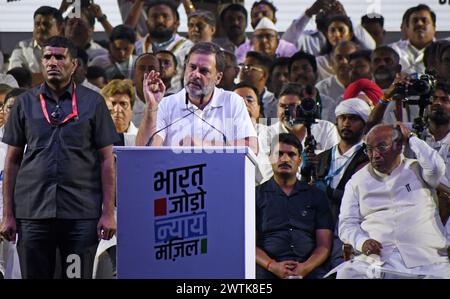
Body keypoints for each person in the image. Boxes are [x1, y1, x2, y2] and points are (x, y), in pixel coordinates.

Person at [0, 36, 119, 279]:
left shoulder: (93, 102)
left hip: (80, 215)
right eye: (47, 57)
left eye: (60, 57)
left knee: (74, 277)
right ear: (41, 62)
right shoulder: (24, 103)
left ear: (74, 64)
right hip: (32, 213)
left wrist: (108, 212)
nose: (53, 62)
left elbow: (107, 160)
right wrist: (8, 215)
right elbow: (12, 160)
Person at [337, 123, 450, 279]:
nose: (375, 155)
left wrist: (411, 138)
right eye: (369, 149)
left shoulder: (419, 170)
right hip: (380, 260)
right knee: (346, 274)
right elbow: (346, 223)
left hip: (426, 258)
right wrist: (362, 242)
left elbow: (437, 168)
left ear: (399, 147)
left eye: (381, 147)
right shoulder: (356, 181)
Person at [135, 42, 257, 154]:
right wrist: (151, 107)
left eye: (204, 71)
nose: (195, 75)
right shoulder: (166, 104)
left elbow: (252, 147)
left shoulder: (232, 102)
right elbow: (144, 150)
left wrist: (205, 145)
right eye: (192, 67)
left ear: (218, 78)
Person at [256, 133, 333, 279]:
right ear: (269, 158)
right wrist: (272, 266)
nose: (285, 159)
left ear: (299, 160)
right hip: (267, 268)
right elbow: (249, 244)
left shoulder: (316, 196)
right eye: (279, 154)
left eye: (291, 155)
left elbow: (324, 245)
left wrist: (305, 268)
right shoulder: (255, 196)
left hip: (309, 268)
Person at [316, 98, 370, 269]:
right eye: (343, 118)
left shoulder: (369, 158)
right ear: (336, 121)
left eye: (353, 119)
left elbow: (362, 198)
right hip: (319, 227)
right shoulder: (320, 157)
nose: (347, 123)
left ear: (364, 125)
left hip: (351, 229)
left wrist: (328, 192)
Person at [282, 0, 375, 56]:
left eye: (331, 6)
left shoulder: (349, 36)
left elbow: (371, 46)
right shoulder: (307, 38)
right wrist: (308, 13)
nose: (326, 10)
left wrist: (345, 18)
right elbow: (285, 44)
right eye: (322, 8)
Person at [8, 6, 64, 86]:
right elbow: (15, 78)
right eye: (37, 24)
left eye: (46, 24)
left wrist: (31, 77)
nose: (40, 28)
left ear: (59, 28)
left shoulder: (68, 49)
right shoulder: (22, 47)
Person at [390, 4, 436, 74]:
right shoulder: (392, 50)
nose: (419, 24)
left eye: (424, 20)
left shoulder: (444, 51)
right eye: (415, 21)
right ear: (407, 28)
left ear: (434, 27)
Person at [102, 79, 138, 146]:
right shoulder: (94, 139)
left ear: (131, 110)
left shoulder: (141, 138)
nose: (117, 109)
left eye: (123, 104)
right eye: (113, 103)